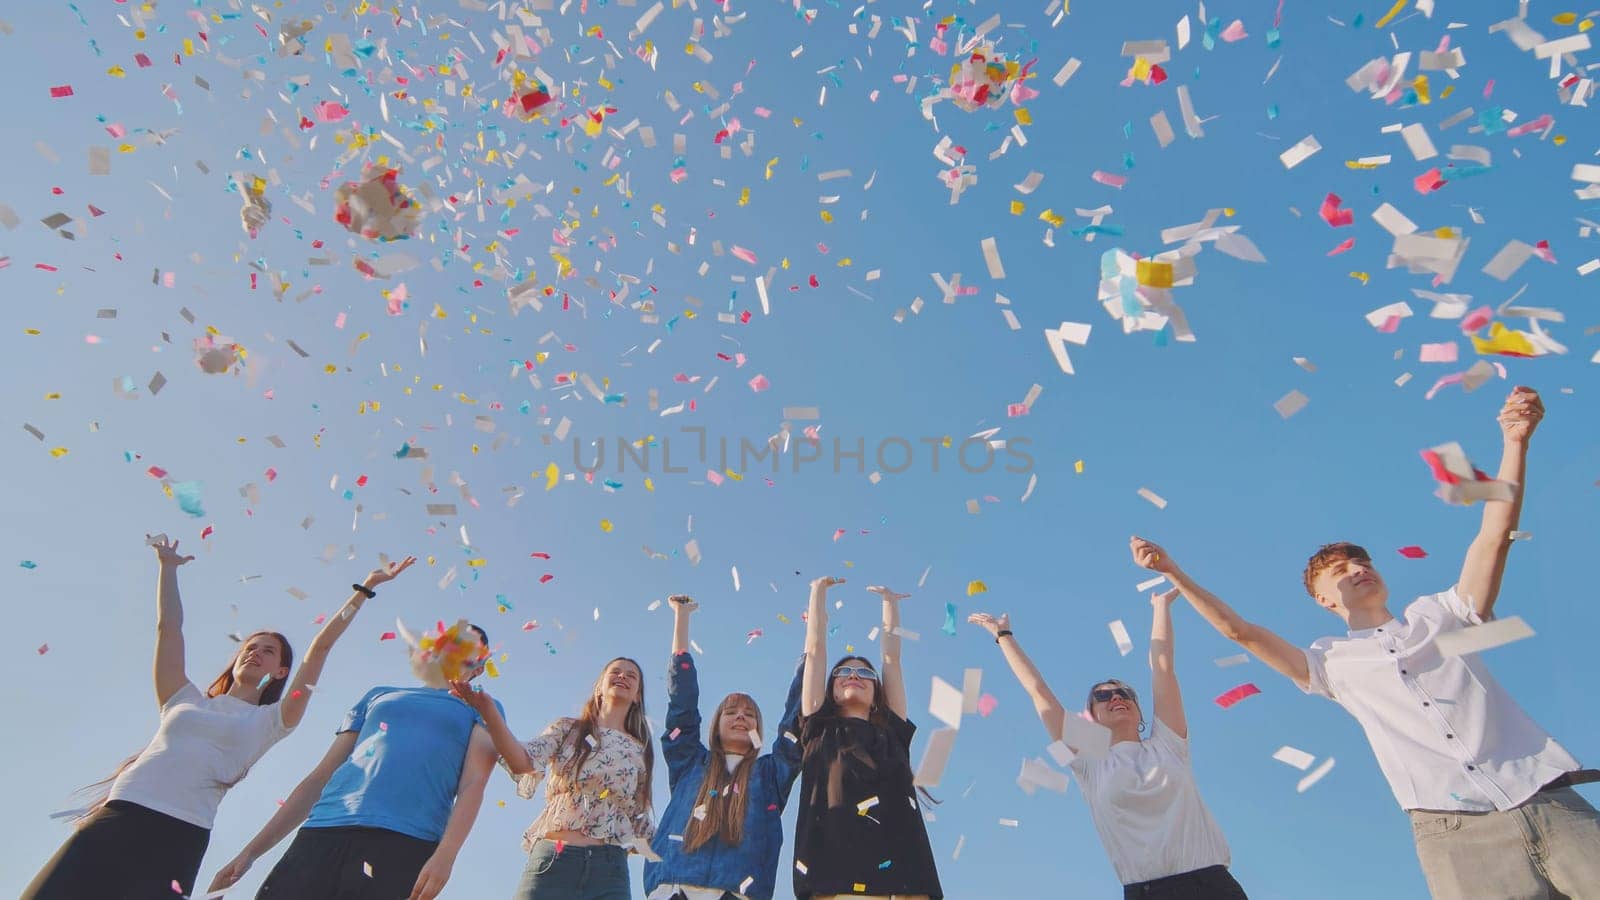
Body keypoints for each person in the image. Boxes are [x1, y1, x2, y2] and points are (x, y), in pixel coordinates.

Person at [1134, 386, 1600, 898]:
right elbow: (1238, 632)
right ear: (1322, 600)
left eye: (1363, 562)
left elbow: (1494, 533)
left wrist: (1516, 440)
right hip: (1457, 834)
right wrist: (1174, 571)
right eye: (1338, 570)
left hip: (1545, 798)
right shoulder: (1330, 663)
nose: (1357, 569)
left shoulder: (1443, 613)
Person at [23, 536, 415, 900]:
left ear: (279, 672)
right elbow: (168, 628)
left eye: (269, 651)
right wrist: (168, 568)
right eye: (251, 646)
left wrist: (364, 589)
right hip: (120, 814)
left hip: (180, 835)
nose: (256, 653)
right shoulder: (182, 698)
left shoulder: (274, 720)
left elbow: (320, 648)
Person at [970, 590, 1248, 899]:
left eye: (1124, 693)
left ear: (1139, 711)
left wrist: (1160, 606)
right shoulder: (1089, 762)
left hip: (1211, 886)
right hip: (1148, 892)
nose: (1115, 697)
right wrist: (1003, 635)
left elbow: (1163, 668)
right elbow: (1039, 693)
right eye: (1103, 696)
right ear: (1092, 718)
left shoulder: (1168, 743)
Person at [211, 620, 497, 900]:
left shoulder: (483, 709)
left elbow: (473, 784)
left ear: (479, 666)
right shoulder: (380, 695)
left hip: (406, 841)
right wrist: (250, 853)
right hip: (323, 830)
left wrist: (446, 854)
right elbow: (320, 776)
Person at [453, 655, 655, 900]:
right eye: (616, 671)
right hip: (555, 861)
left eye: (631, 675)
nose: (623, 676)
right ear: (600, 687)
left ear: (637, 696)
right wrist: (488, 711)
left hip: (610, 870)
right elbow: (521, 761)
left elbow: (637, 815)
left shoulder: (639, 751)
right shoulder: (568, 729)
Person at [645, 594, 806, 900]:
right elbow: (682, 706)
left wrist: (811, 650)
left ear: (758, 728)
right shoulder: (690, 763)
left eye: (749, 714)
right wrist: (682, 617)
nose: (741, 717)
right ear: (716, 725)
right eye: (731, 712)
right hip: (673, 888)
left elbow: (796, 721)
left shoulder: (771, 773)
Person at [792, 577, 943, 900]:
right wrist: (817, 594)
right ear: (830, 690)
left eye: (864, 673)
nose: (855, 676)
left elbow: (892, 660)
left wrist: (890, 605)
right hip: (834, 883)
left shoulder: (891, 734)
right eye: (844, 673)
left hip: (900, 886)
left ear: (877, 693)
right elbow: (816, 652)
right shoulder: (818, 730)